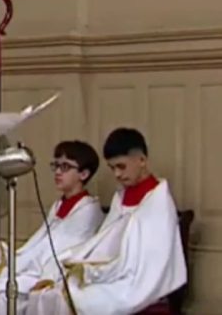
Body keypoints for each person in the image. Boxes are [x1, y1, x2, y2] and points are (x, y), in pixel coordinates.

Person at [25, 128, 187, 314]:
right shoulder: (120, 197)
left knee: (71, 298)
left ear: (141, 160)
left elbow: (149, 262)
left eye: (121, 166)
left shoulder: (158, 203)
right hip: (115, 273)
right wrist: (83, 262)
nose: (117, 174)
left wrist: (107, 270)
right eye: (112, 168)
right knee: (49, 292)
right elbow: (105, 242)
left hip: (137, 283)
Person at [0, 140, 104, 315]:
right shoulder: (59, 205)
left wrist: (24, 264)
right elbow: (40, 240)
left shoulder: (88, 210)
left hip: (54, 272)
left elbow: (64, 248)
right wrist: (19, 259)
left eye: (66, 167)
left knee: (4, 293)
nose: (58, 172)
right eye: (56, 165)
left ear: (83, 174)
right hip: (37, 267)